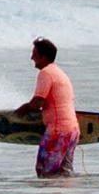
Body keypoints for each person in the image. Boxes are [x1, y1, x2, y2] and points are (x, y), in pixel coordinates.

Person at [20, 35, 79, 180]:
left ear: (44, 56)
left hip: (58, 132)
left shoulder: (46, 73)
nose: (32, 57)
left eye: (34, 53)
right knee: (65, 173)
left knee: (45, 172)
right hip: (72, 130)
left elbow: (38, 103)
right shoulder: (59, 73)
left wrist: (21, 111)